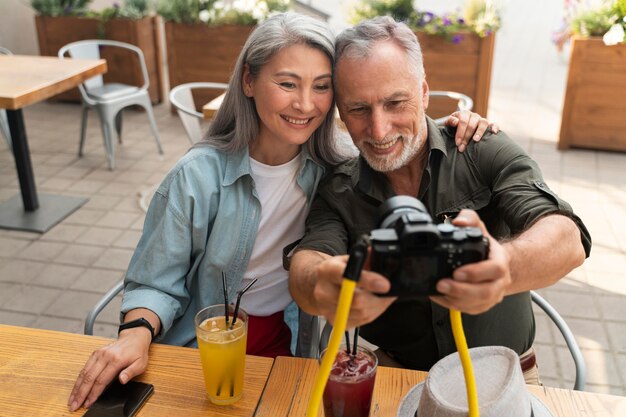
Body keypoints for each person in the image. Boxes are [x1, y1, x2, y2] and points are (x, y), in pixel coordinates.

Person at [67, 13, 493, 412]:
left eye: (322, 86)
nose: (306, 105)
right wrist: (134, 336)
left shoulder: (338, 167)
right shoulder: (197, 176)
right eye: (288, 84)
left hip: (299, 349)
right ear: (249, 81)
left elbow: (397, 132)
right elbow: (154, 281)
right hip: (208, 351)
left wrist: (458, 122)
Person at [288, 16, 592, 384]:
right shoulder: (338, 188)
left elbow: (567, 238)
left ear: (425, 92)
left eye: (396, 102)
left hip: (504, 379)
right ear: (340, 111)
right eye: (358, 109)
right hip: (395, 377)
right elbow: (309, 261)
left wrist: (504, 266)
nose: (379, 129)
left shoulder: (480, 148)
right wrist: (321, 284)